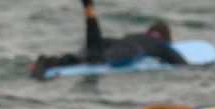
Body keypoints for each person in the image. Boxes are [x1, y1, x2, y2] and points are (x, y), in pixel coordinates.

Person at [30, 0, 186, 80]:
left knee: (86, 54)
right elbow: (180, 64)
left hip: (113, 42)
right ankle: (90, 12)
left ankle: (51, 61)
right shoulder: (160, 44)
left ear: (149, 31)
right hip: (127, 50)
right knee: (98, 59)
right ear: (167, 38)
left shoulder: (136, 36)